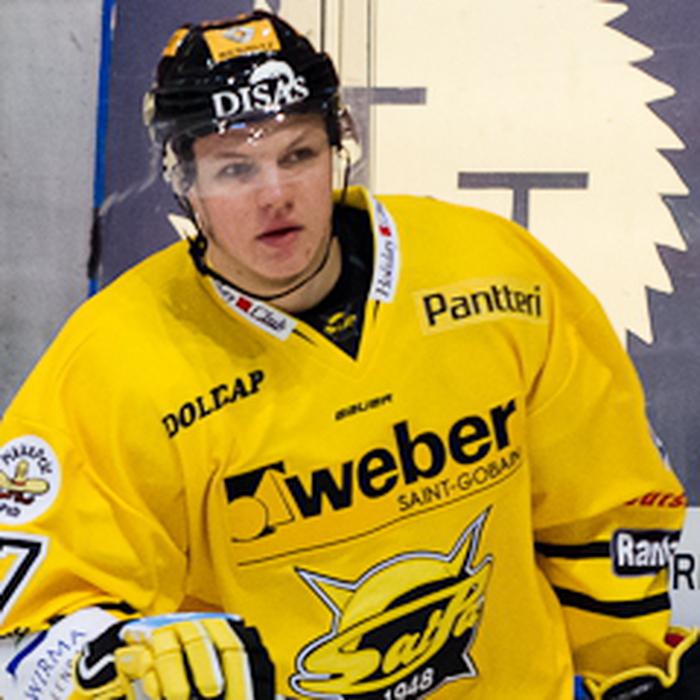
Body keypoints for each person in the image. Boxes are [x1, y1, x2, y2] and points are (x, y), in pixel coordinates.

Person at [0, 9, 697, 700]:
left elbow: (601, 507)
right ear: (184, 180)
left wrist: (629, 672)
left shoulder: (491, 272)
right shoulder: (112, 362)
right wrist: (111, 663)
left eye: (298, 155)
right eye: (236, 168)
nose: (276, 195)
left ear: (338, 146)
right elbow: (29, 631)